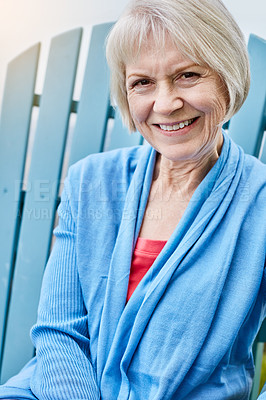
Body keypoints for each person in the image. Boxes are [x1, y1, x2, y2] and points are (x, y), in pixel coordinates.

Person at [0, 0, 265, 398]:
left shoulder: (258, 201)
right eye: (142, 83)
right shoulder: (89, 181)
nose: (165, 103)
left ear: (228, 77)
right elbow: (59, 331)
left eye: (188, 75)